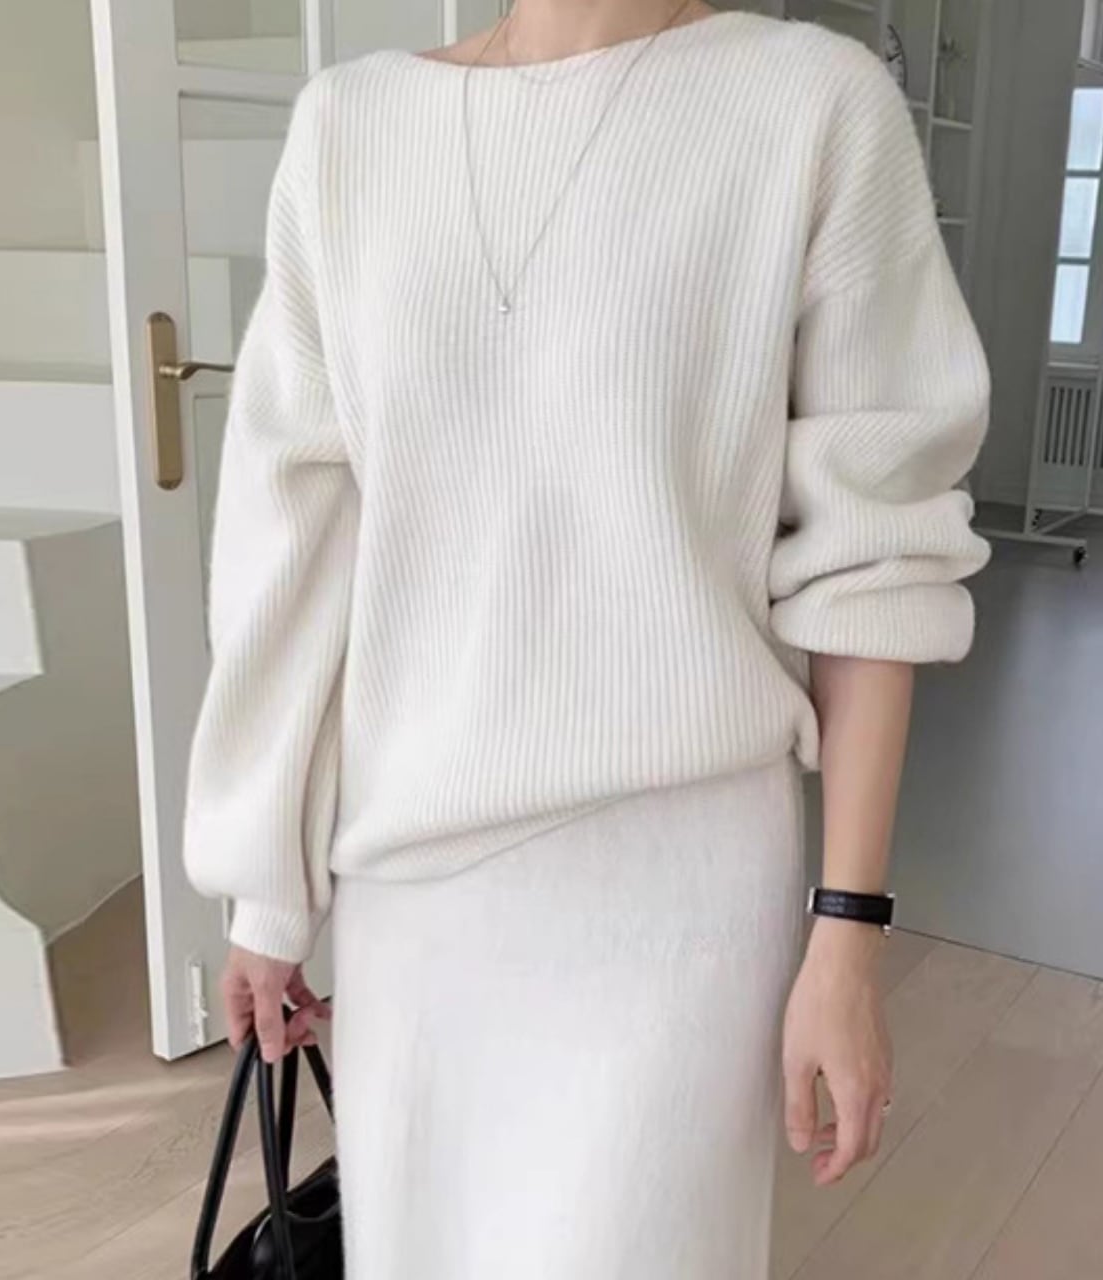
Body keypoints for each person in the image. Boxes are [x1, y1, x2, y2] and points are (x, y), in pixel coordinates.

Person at [181, 1, 991, 1275]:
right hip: (411, 892)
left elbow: (872, 556)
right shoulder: (347, 126)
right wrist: (267, 889)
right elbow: (294, 542)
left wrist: (846, 931)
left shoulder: (812, 104)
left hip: (675, 893)